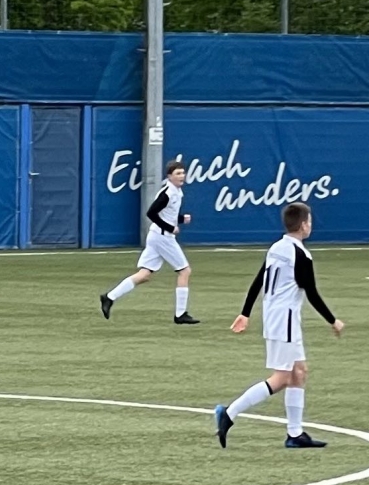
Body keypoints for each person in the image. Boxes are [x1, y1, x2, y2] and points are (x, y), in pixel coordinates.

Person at [215, 203, 343, 449]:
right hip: (284, 319)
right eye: (309, 221)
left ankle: (295, 434)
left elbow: (259, 280)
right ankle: (229, 413)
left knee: (299, 372)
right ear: (303, 225)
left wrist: (245, 312)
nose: (311, 225)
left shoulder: (276, 247)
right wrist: (333, 320)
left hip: (276, 316)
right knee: (282, 378)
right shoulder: (300, 255)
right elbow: (311, 292)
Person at [101, 158, 198, 322]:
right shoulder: (168, 193)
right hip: (162, 237)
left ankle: (109, 297)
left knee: (144, 275)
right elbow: (151, 213)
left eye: (183, 173)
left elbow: (167, 215)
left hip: (157, 236)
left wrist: (181, 219)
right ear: (169, 176)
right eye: (178, 173)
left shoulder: (176, 191)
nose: (182, 176)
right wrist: (170, 228)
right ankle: (180, 314)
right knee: (184, 271)